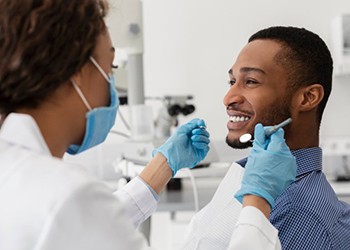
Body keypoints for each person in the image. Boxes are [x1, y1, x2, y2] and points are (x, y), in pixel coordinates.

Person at [0, 1, 296, 249]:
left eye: (251, 81)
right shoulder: (68, 197)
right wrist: (258, 201)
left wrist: (163, 165)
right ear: (77, 72)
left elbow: (88, 226)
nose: (229, 97)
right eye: (110, 68)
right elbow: (83, 220)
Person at [179, 26, 350, 250]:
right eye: (232, 82)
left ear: (308, 98)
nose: (228, 98)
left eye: (251, 81)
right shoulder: (254, 182)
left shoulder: (299, 213)